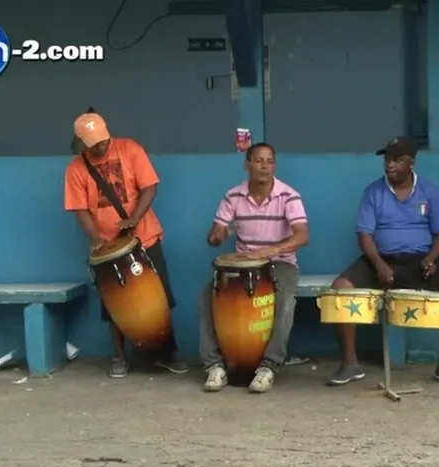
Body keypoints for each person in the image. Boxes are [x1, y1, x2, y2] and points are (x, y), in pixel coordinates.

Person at [327, 137, 439, 387]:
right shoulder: (373, 192)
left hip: (420, 259)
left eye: (396, 160)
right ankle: (350, 363)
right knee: (341, 288)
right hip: (380, 260)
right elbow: (364, 235)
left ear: (411, 163)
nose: (389, 165)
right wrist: (380, 265)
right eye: (387, 159)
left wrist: (432, 259)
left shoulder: (429, 191)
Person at [64, 111, 189, 379]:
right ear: (80, 143)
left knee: (160, 299)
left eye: (103, 140)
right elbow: (80, 209)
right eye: (93, 143)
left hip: (144, 238)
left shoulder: (130, 149)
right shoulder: (76, 169)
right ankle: (119, 357)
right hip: (109, 249)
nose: (101, 146)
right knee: (115, 304)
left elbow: (150, 187)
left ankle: (167, 354)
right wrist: (98, 240)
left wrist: (134, 219)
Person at [199, 142, 310, 393]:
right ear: (246, 164)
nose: (265, 166)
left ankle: (269, 367)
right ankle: (215, 366)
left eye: (270, 161)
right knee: (207, 296)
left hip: (281, 263)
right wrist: (216, 235)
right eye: (259, 160)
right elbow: (216, 233)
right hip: (244, 265)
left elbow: (303, 236)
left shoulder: (288, 195)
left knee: (285, 301)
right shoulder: (233, 196)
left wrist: (271, 250)